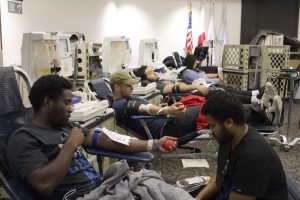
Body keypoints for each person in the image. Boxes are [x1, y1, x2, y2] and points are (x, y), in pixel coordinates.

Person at [7, 74, 179, 200]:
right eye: (67, 103)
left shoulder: (66, 125)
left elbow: (107, 140)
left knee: (164, 190)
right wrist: (71, 145)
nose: (71, 109)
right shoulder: (24, 138)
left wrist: (153, 144)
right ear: (47, 102)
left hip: (103, 188)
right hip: (80, 196)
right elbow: (44, 185)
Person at [196, 91, 288, 200]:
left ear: (229, 122)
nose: (211, 131)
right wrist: (198, 198)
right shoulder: (228, 137)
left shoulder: (252, 155)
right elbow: (221, 176)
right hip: (232, 191)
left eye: (212, 126)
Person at [110, 70, 208, 139]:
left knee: (211, 107)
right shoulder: (119, 105)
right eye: (128, 85)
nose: (132, 88)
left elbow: (148, 109)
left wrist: (164, 107)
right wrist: (168, 110)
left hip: (169, 122)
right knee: (208, 108)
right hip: (166, 128)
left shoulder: (129, 98)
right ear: (117, 87)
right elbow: (145, 108)